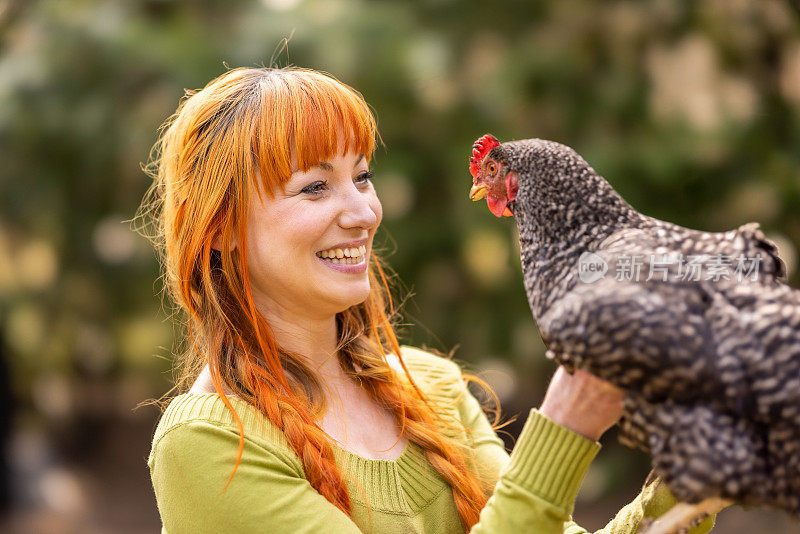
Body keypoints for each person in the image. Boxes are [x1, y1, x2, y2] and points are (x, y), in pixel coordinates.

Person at [140, 66, 715, 534]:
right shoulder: (211, 445)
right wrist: (566, 426)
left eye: (362, 177)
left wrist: (691, 480)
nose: (364, 212)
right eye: (315, 186)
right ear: (220, 228)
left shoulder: (430, 385)